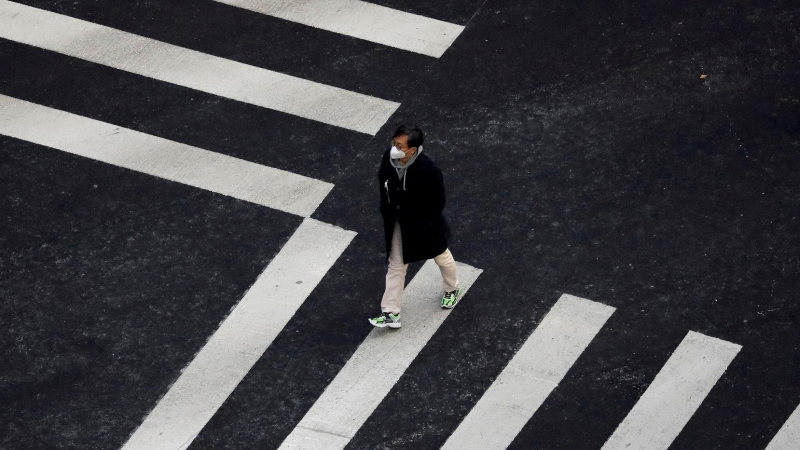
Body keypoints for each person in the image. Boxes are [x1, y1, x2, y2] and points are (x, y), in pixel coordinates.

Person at [368, 125, 461, 329]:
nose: (394, 148)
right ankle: (391, 313)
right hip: (398, 223)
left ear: (413, 149)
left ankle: (452, 288)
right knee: (396, 265)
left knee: (441, 255)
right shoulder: (388, 158)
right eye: (394, 143)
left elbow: (438, 201)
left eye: (399, 145)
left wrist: (422, 219)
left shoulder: (428, 169)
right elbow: (382, 183)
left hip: (425, 224)